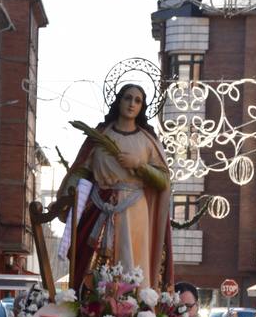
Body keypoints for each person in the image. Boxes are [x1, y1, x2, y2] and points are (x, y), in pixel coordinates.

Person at [61, 83, 173, 289]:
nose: (132, 104)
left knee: (132, 261)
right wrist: (66, 196)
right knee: (88, 261)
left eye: (137, 100)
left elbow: (164, 180)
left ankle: (132, 305)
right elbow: (83, 169)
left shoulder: (147, 141)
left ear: (142, 107)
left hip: (133, 209)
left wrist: (139, 166)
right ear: (119, 100)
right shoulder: (101, 135)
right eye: (127, 98)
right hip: (98, 205)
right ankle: (88, 301)